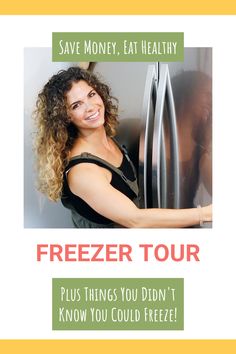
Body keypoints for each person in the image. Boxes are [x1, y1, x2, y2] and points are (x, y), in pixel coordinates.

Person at [34, 66, 212, 228]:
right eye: (76, 105)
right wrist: (204, 213)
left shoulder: (109, 138)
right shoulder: (82, 172)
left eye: (91, 94)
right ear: (65, 117)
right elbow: (135, 219)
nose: (90, 107)